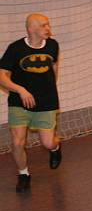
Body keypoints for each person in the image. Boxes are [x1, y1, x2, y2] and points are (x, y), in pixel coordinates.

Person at [0, 14, 62, 193]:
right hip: (19, 102)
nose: (48, 28)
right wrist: (20, 90)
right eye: (43, 25)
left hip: (46, 101)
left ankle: (56, 147)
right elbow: (1, 75)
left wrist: (49, 87)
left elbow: (54, 66)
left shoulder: (52, 45)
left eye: (48, 24)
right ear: (30, 29)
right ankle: (23, 175)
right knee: (17, 142)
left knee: (48, 143)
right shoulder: (16, 49)